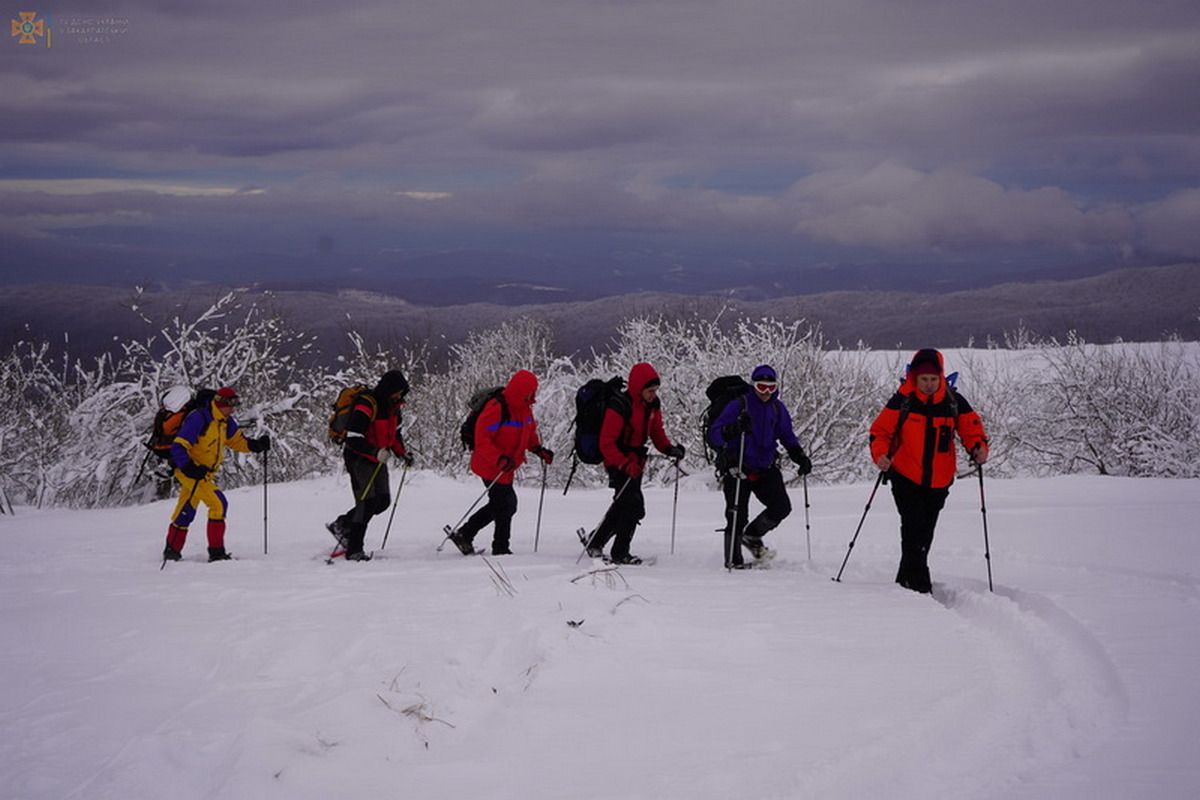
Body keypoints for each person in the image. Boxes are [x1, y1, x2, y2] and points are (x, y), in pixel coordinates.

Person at [869, 348, 989, 593]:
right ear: (914, 377)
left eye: (934, 379)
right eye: (924, 379)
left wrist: (978, 447)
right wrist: (880, 454)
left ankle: (905, 579)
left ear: (941, 377)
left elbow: (972, 429)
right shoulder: (903, 400)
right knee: (913, 526)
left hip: (940, 480)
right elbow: (880, 432)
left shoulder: (954, 402)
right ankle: (919, 586)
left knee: (924, 531)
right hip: (905, 475)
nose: (929, 384)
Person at [708, 365, 812, 568]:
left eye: (771, 388)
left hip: (765, 467)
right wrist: (733, 428)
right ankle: (733, 561)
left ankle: (752, 536)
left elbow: (787, 435)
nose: (766, 392)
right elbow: (714, 434)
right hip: (738, 466)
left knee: (781, 507)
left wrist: (799, 456)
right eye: (761, 387)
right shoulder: (739, 405)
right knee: (737, 515)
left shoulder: (777, 408)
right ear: (753, 385)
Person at [584, 362, 685, 565]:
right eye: (650, 391)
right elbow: (606, 443)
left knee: (624, 504)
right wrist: (624, 464)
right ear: (639, 388)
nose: (654, 394)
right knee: (633, 506)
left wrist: (669, 449)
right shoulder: (620, 406)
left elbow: (656, 432)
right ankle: (620, 553)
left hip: (636, 462)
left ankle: (596, 541)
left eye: (656, 390)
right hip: (618, 461)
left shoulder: (652, 405)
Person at [448, 369, 552, 556]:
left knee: (503, 504)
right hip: (489, 465)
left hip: (506, 467)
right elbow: (482, 439)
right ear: (521, 390)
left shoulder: (524, 409)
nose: (533, 395)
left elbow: (528, 433)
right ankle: (500, 547)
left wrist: (538, 449)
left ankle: (466, 534)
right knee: (506, 505)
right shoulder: (497, 407)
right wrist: (499, 459)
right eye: (530, 391)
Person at [163, 387, 270, 562]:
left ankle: (171, 551)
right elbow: (179, 445)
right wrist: (189, 467)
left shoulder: (225, 421)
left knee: (186, 510)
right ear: (221, 403)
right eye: (231, 405)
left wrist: (256, 445)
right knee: (218, 505)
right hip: (190, 471)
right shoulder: (199, 418)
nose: (233, 409)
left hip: (203, 473)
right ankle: (217, 553)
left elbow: (237, 441)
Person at [326, 370, 413, 561]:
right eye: (397, 392)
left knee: (382, 501)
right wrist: (375, 452)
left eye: (402, 392)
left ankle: (343, 524)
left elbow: (394, 435)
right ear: (388, 389)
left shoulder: (394, 408)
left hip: (377, 458)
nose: (399, 396)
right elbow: (353, 437)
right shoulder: (367, 404)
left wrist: (402, 454)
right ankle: (355, 549)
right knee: (367, 502)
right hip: (358, 457)